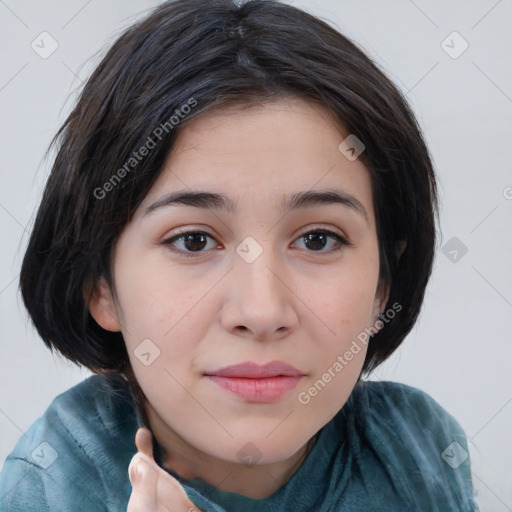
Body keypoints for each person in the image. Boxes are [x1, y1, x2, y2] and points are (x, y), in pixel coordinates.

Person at [0, 0, 478, 510]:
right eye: (193, 241)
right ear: (100, 284)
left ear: (385, 281)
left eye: (318, 239)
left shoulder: (420, 452)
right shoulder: (53, 481)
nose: (262, 311)